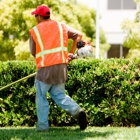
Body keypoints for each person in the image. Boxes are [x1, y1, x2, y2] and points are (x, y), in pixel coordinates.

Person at [29, 4, 87, 132]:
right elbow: (78, 35)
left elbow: (33, 52)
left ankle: (43, 127)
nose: (35, 18)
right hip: (61, 67)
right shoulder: (61, 26)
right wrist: (69, 53)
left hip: (45, 69)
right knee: (59, 95)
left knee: (41, 96)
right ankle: (77, 111)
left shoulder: (35, 30)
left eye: (35, 15)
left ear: (39, 16)